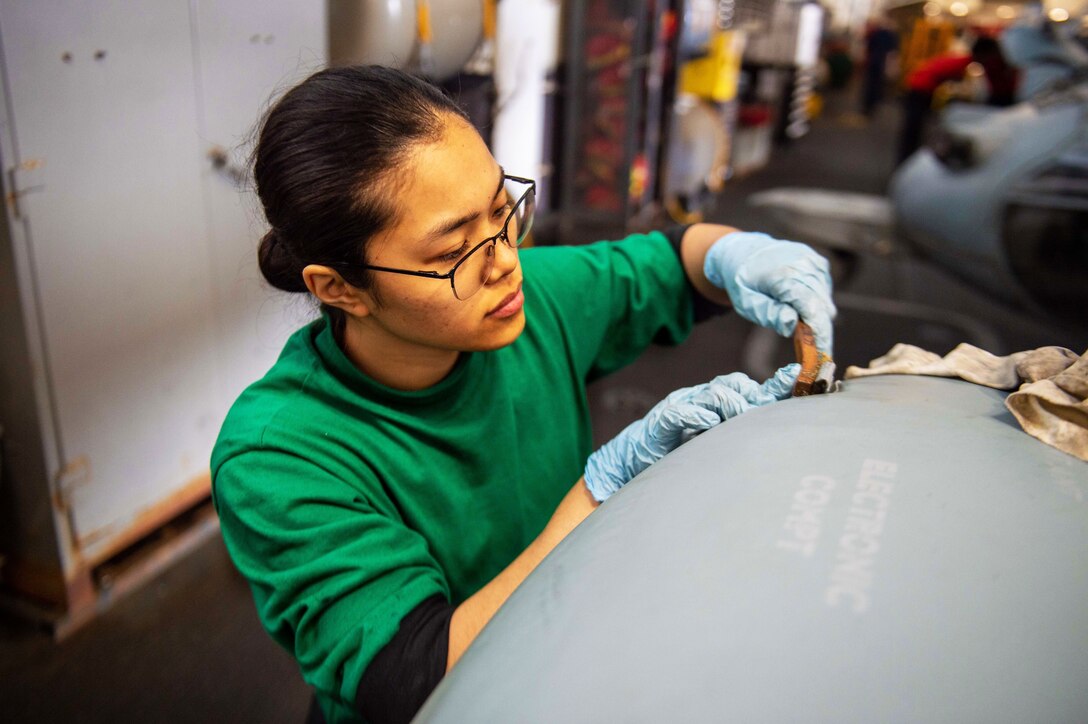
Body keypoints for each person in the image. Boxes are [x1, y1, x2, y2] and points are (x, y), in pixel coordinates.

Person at [211, 65, 836, 724]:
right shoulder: (279, 457)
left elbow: (675, 261)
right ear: (340, 289)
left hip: (563, 653)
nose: (505, 258)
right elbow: (416, 677)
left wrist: (741, 257)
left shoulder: (523, 296)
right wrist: (601, 491)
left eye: (500, 210)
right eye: (453, 251)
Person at [896, 35, 1018, 164]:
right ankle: (906, 157)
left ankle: (907, 156)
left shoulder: (961, 60)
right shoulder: (965, 62)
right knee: (914, 125)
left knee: (915, 125)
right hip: (921, 89)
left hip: (919, 86)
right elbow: (955, 80)